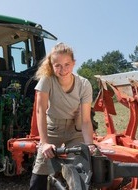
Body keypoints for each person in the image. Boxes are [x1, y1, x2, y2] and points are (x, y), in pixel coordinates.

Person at [29, 42, 94, 190]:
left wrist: (89, 145)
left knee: (81, 168)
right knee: (40, 170)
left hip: (75, 130)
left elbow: (85, 120)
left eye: (67, 64)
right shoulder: (47, 80)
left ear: (74, 63)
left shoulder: (84, 84)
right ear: (51, 65)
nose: (63, 69)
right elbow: (40, 111)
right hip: (53, 128)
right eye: (57, 65)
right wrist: (44, 143)